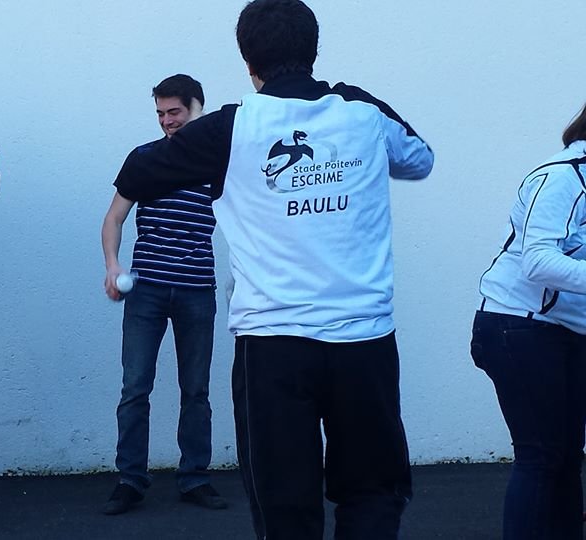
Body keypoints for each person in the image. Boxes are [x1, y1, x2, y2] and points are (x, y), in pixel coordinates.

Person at [111, 1, 434, 538]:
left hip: (273, 347)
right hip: (364, 342)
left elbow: (138, 171)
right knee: (374, 492)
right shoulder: (362, 111)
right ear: (314, 50)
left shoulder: (231, 127)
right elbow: (420, 159)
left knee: (284, 504)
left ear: (248, 62)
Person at [100, 74, 225, 515]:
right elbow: (114, 218)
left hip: (198, 290)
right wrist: (113, 265)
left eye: (175, 112)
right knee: (135, 388)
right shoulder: (144, 159)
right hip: (147, 290)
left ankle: (195, 478)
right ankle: (130, 480)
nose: (167, 121)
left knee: (196, 390)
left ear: (197, 108)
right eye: (160, 113)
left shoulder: (217, 162)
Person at [471, 103, 586, 540]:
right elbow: (538, 261)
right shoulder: (561, 177)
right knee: (540, 456)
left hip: (565, 331)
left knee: (567, 457)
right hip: (517, 327)